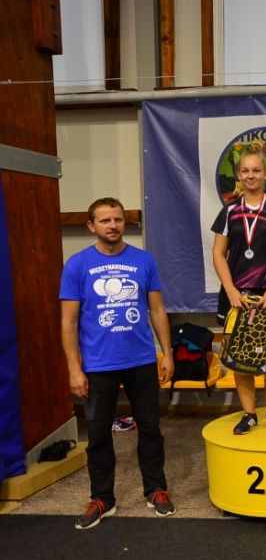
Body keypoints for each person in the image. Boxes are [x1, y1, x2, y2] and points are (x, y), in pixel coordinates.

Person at [60, 197, 176, 529]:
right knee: (98, 434)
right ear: (91, 226)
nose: (113, 225)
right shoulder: (78, 265)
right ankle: (102, 498)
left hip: (141, 360)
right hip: (98, 365)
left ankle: (156, 489)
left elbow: (157, 310)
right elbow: (68, 322)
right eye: (105, 220)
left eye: (118, 219)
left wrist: (167, 353)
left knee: (150, 428)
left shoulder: (144, 260)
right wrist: (74, 369)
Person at [211, 151, 266, 434]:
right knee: (238, 351)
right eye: (245, 171)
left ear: (265, 174)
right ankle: (248, 413)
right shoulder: (229, 211)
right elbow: (218, 253)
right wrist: (230, 290)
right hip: (237, 294)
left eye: (256, 170)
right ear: (239, 175)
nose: (251, 175)